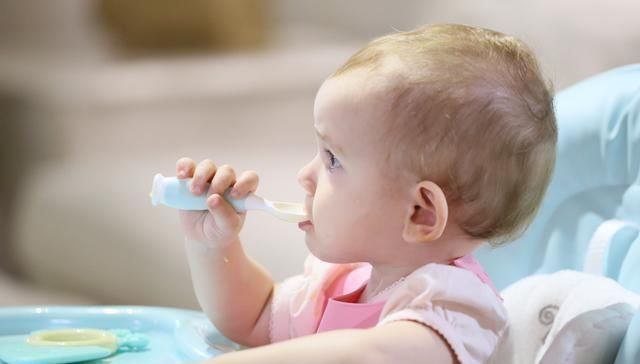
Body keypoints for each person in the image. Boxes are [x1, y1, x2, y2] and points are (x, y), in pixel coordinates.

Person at [175, 23, 557, 364]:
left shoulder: (453, 311)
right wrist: (214, 247)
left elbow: (370, 355)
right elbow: (256, 318)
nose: (305, 176)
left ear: (420, 213)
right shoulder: (344, 279)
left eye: (332, 159)